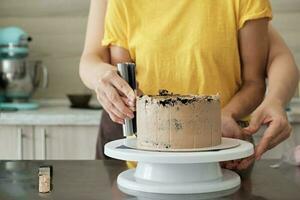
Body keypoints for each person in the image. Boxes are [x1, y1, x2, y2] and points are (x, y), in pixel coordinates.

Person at [79, 0, 299, 172]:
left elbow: (269, 62)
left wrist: (271, 100)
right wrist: (103, 75)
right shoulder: (122, 5)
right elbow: (91, 60)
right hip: (139, 139)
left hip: (221, 141)